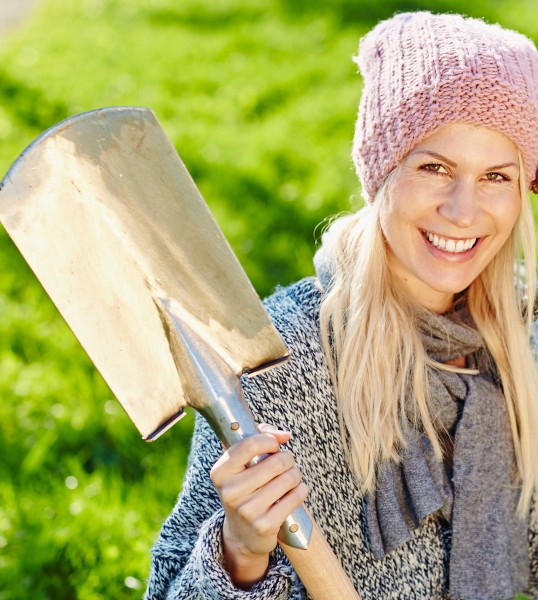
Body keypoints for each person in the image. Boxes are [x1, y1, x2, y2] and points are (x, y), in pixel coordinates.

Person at [145, 11, 538, 600]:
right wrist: (240, 554)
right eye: (435, 167)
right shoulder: (280, 363)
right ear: (381, 172)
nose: (463, 210)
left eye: (496, 177)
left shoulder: (521, 345)